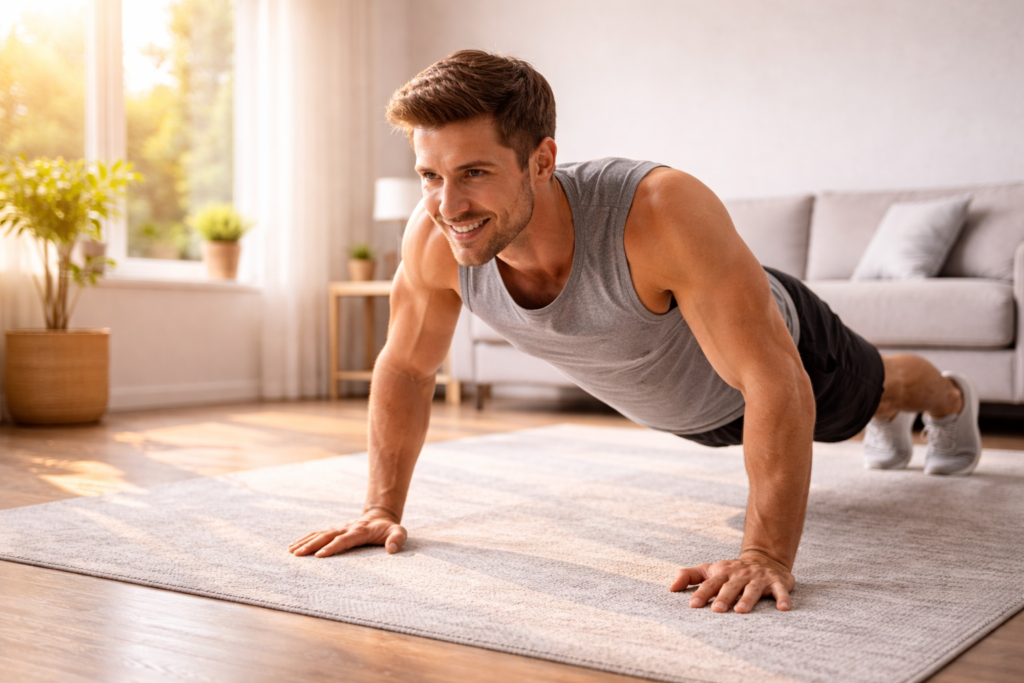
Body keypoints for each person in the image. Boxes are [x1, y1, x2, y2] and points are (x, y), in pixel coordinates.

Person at [289, 50, 983, 614]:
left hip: (789, 359)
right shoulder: (434, 239)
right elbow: (407, 368)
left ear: (541, 160)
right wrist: (380, 508)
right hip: (690, 408)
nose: (448, 204)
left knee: (877, 393)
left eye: (474, 172)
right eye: (429, 176)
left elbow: (775, 380)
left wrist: (765, 554)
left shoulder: (659, 209)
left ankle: (949, 400)